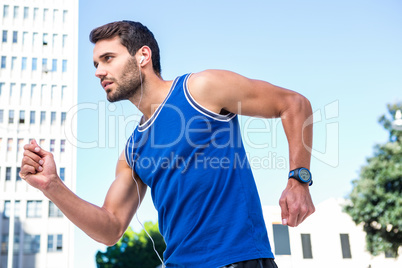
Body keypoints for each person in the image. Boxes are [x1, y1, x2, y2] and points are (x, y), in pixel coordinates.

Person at [20, 20, 315, 268]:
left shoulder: (201, 89)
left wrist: (298, 179)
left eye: (108, 58)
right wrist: (52, 186)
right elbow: (110, 228)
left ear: (143, 56)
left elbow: (294, 105)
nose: (98, 71)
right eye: (96, 63)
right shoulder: (132, 151)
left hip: (238, 260)